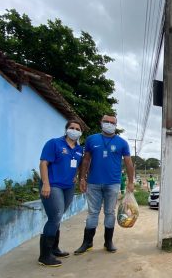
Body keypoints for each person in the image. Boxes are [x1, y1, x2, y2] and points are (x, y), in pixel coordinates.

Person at [75, 114, 135, 255]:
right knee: (92, 213)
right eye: (106, 121)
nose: (109, 124)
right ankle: (87, 243)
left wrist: (131, 182)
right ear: (101, 122)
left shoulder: (122, 143)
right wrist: (82, 178)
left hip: (113, 184)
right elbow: (85, 160)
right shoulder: (91, 139)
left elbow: (128, 162)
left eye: (112, 122)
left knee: (110, 213)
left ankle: (108, 242)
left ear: (116, 125)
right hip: (93, 183)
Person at [38, 120, 84, 267]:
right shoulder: (54, 143)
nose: (74, 130)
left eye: (77, 129)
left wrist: (76, 177)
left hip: (68, 187)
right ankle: (44, 256)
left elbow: (77, 165)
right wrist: (46, 183)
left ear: (80, 132)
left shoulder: (79, 149)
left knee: (58, 216)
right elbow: (43, 163)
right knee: (55, 216)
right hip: (52, 185)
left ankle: (54, 248)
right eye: (72, 127)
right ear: (66, 129)